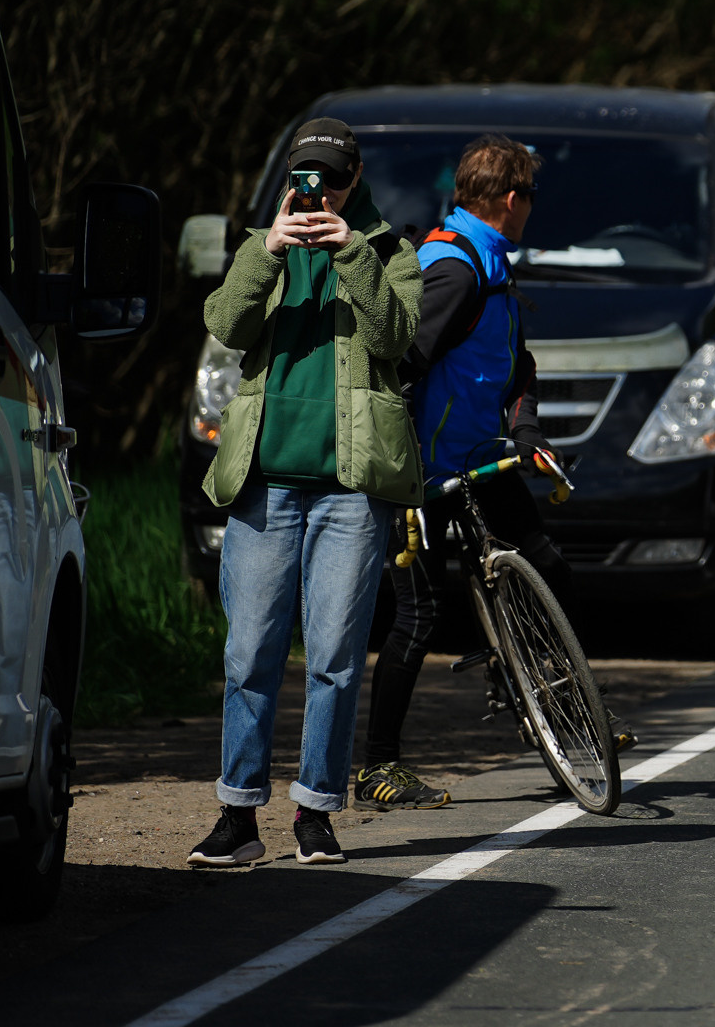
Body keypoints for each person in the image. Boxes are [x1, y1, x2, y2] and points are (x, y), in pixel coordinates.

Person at [188, 118, 422, 868]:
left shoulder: (389, 252)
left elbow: (394, 340)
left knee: (334, 655)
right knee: (250, 649)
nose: (317, 192)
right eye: (306, 178)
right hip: (265, 481)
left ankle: (316, 812)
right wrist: (268, 251)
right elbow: (224, 324)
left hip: (352, 488)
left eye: (332, 179)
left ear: (356, 183)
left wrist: (352, 252)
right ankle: (237, 816)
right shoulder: (266, 246)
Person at [358, 135, 588, 812]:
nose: (531, 209)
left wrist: (527, 433)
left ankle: (565, 714)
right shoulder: (453, 270)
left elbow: (517, 363)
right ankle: (379, 768)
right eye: (532, 199)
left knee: (550, 566)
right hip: (421, 473)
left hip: (479, 455)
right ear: (513, 200)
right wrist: (399, 474)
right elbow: (399, 368)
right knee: (420, 614)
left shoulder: (490, 264)